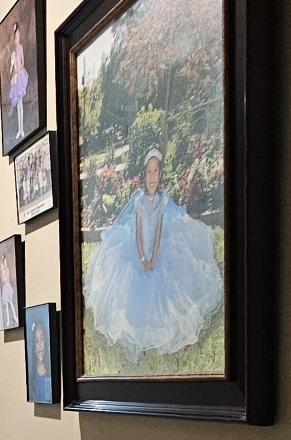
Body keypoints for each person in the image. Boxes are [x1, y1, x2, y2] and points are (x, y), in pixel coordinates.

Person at [85, 144, 222, 362]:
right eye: (149, 171)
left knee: (167, 287)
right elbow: (138, 233)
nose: (152, 176)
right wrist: (142, 258)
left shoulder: (162, 201)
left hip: (156, 251)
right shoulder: (139, 201)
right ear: (144, 175)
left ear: (160, 175)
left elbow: (157, 233)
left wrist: (154, 258)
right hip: (138, 250)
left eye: (156, 171)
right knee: (129, 286)